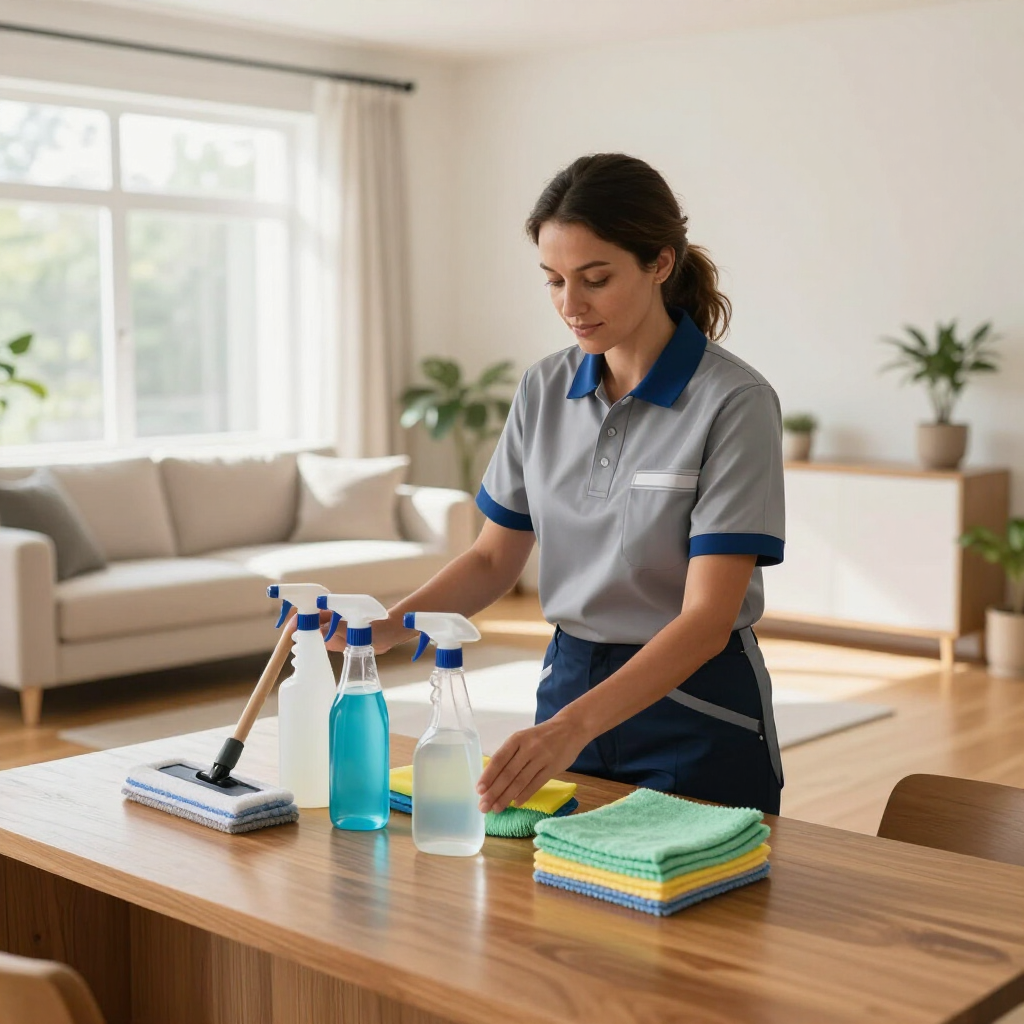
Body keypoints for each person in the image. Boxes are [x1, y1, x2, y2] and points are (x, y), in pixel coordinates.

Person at [327, 153, 786, 816]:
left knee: (699, 911)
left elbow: (708, 619)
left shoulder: (734, 401)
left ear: (660, 263)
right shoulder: (544, 389)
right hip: (567, 686)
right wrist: (386, 627)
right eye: (553, 280)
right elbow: (492, 557)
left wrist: (572, 728)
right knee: (548, 906)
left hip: (694, 703)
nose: (571, 304)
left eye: (595, 279)